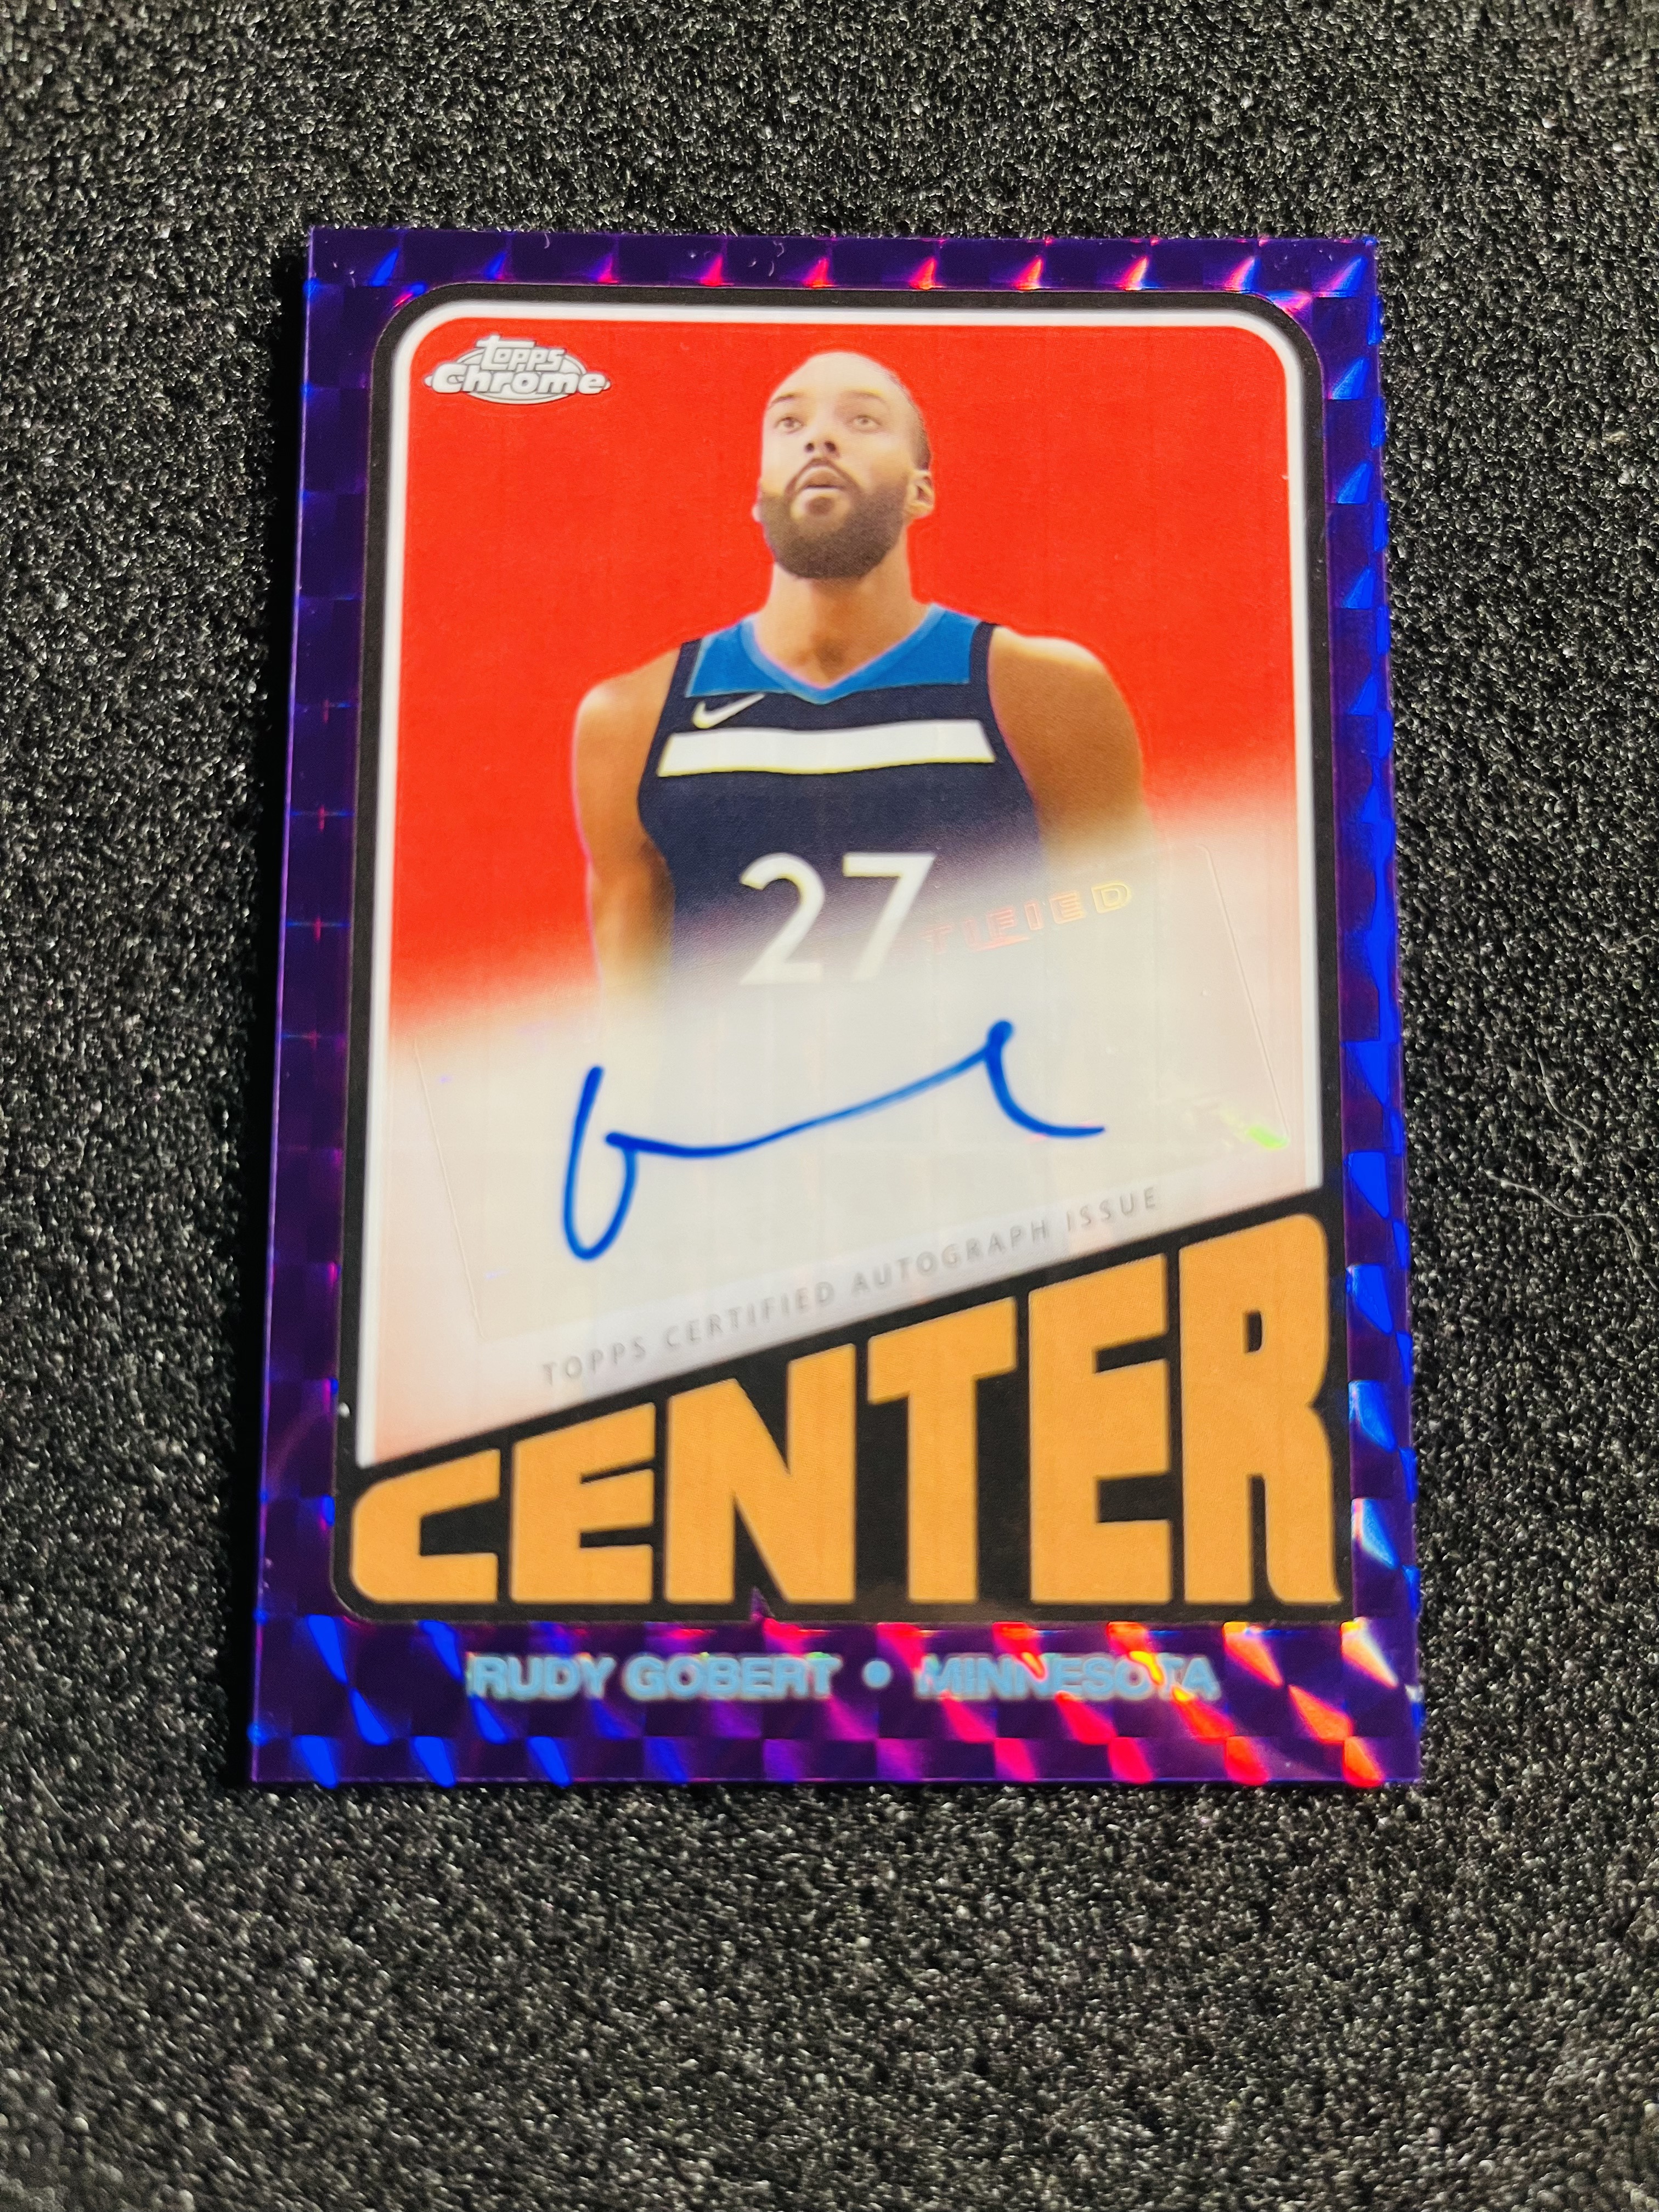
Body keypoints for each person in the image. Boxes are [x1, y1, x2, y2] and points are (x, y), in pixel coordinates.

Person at [573, 349, 1149, 989]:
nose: (820, 438)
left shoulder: (1041, 691)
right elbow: (631, 1031)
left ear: (920, 492)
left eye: (863, 421)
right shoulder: (631, 719)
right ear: (759, 498)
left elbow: (1119, 974)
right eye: (790, 423)